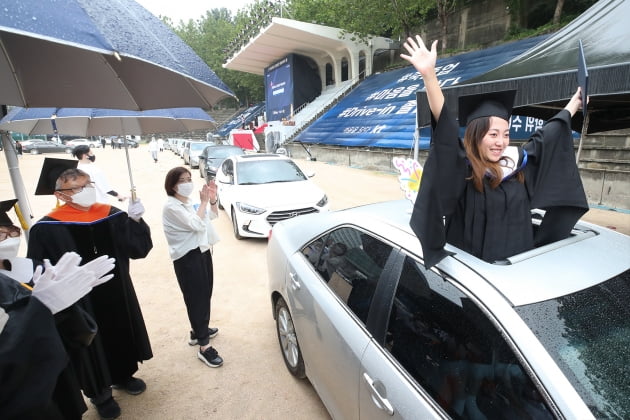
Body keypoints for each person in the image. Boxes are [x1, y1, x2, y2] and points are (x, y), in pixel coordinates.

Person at [401, 35, 588, 268]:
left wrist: (574, 104)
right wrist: (429, 76)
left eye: (506, 134)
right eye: (493, 134)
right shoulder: (465, 169)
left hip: (521, 266)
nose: (501, 142)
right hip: (479, 276)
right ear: (476, 135)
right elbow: (446, 130)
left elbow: (547, 136)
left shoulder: (517, 164)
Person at [27, 158, 154, 420]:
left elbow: (138, 250)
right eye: (77, 188)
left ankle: (124, 375)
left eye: (88, 184)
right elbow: (38, 270)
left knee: (120, 330)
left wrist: (136, 222)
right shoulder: (45, 228)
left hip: (116, 290)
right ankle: (100, 394)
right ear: (60, 194)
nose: (86, 191)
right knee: (89, 343)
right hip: (79, 300)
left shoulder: (112, 214)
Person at [0, 198, 115, 420]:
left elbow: (73, 337)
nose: (9, 239)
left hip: (57, 368)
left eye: (11, 232)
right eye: (1, 235)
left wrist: (66, 309)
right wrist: (40, 311)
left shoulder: (32, 269)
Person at [162, 167, 223, 368]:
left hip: (202, 252)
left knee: (205, 294)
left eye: (189, 178)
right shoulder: (172, 207)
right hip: (188, 257)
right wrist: (204, 202)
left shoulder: (187, 203)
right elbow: (196, 224)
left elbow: (211, 217)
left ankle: (199, 331)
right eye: (182, 180)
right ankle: (204, 347)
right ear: (172, 185)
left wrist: (212, 199)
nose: (188, 182)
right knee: (196, 299)